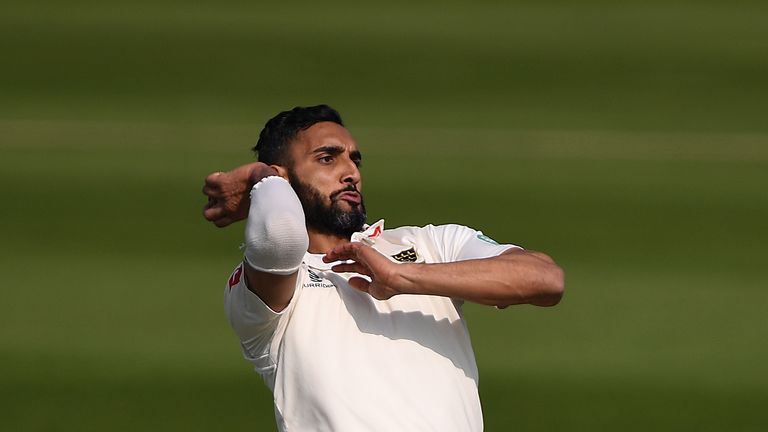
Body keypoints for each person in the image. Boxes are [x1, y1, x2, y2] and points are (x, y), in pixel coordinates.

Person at [202, 105, 564, 432]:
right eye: (328, 158)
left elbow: (544, 279)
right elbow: (279, 234)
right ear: (283, 177)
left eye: (355, 160)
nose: (350, 173)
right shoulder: (273, 282)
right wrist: (261, 177)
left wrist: (401, 277)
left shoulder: (430, 243)